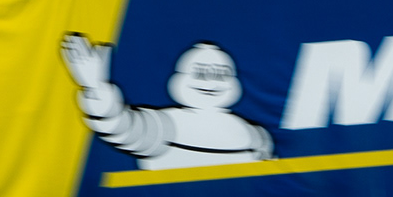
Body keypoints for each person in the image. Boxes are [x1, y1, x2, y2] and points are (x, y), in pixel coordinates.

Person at [60, 34, 274, 170]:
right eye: (200, 73)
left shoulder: (255, 135)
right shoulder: (164, 125)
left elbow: (269, 175)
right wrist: (96, 88)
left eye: (221, 74)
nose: (210, 82)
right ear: (180, 79)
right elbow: (121, 126)